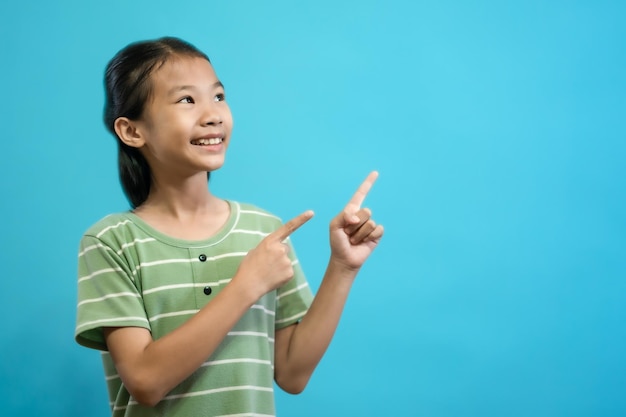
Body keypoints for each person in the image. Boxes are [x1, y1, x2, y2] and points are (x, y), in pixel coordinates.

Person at [75, 36, 384, 417]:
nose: (213, 114)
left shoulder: (264, 231)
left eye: (218, 96)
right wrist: (246, 285)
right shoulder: (111, 242)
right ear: (132, 131)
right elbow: (145, 381)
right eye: (187, 100)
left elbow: (292, 373)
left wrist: (342, 268)